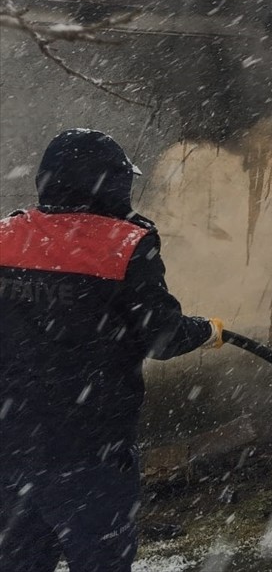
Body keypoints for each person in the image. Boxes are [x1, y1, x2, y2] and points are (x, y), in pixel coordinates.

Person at [0, 129, 223, 572]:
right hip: (90, 447)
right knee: (101, 559)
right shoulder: (125, 243)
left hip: (10, 445)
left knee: (18, 560)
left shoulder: (5, 234)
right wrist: (206, 331)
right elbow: (161, 337)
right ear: (110, 182)